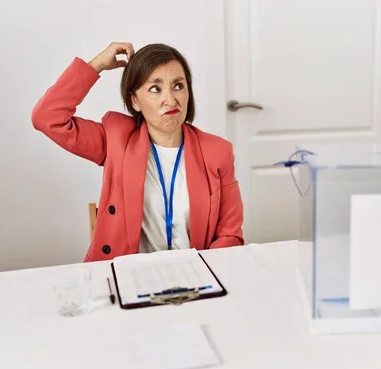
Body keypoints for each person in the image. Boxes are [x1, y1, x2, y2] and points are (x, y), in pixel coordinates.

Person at [31, 42, 244, 262]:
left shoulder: (218, 152)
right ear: (135, 101)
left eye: (178, 86)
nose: (171, 100)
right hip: (128, 276)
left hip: (196, 275)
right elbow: (46, 118)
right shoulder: (116, 140)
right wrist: (97, 64)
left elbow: (230, 235)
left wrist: (201, 273)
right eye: (155, 88)